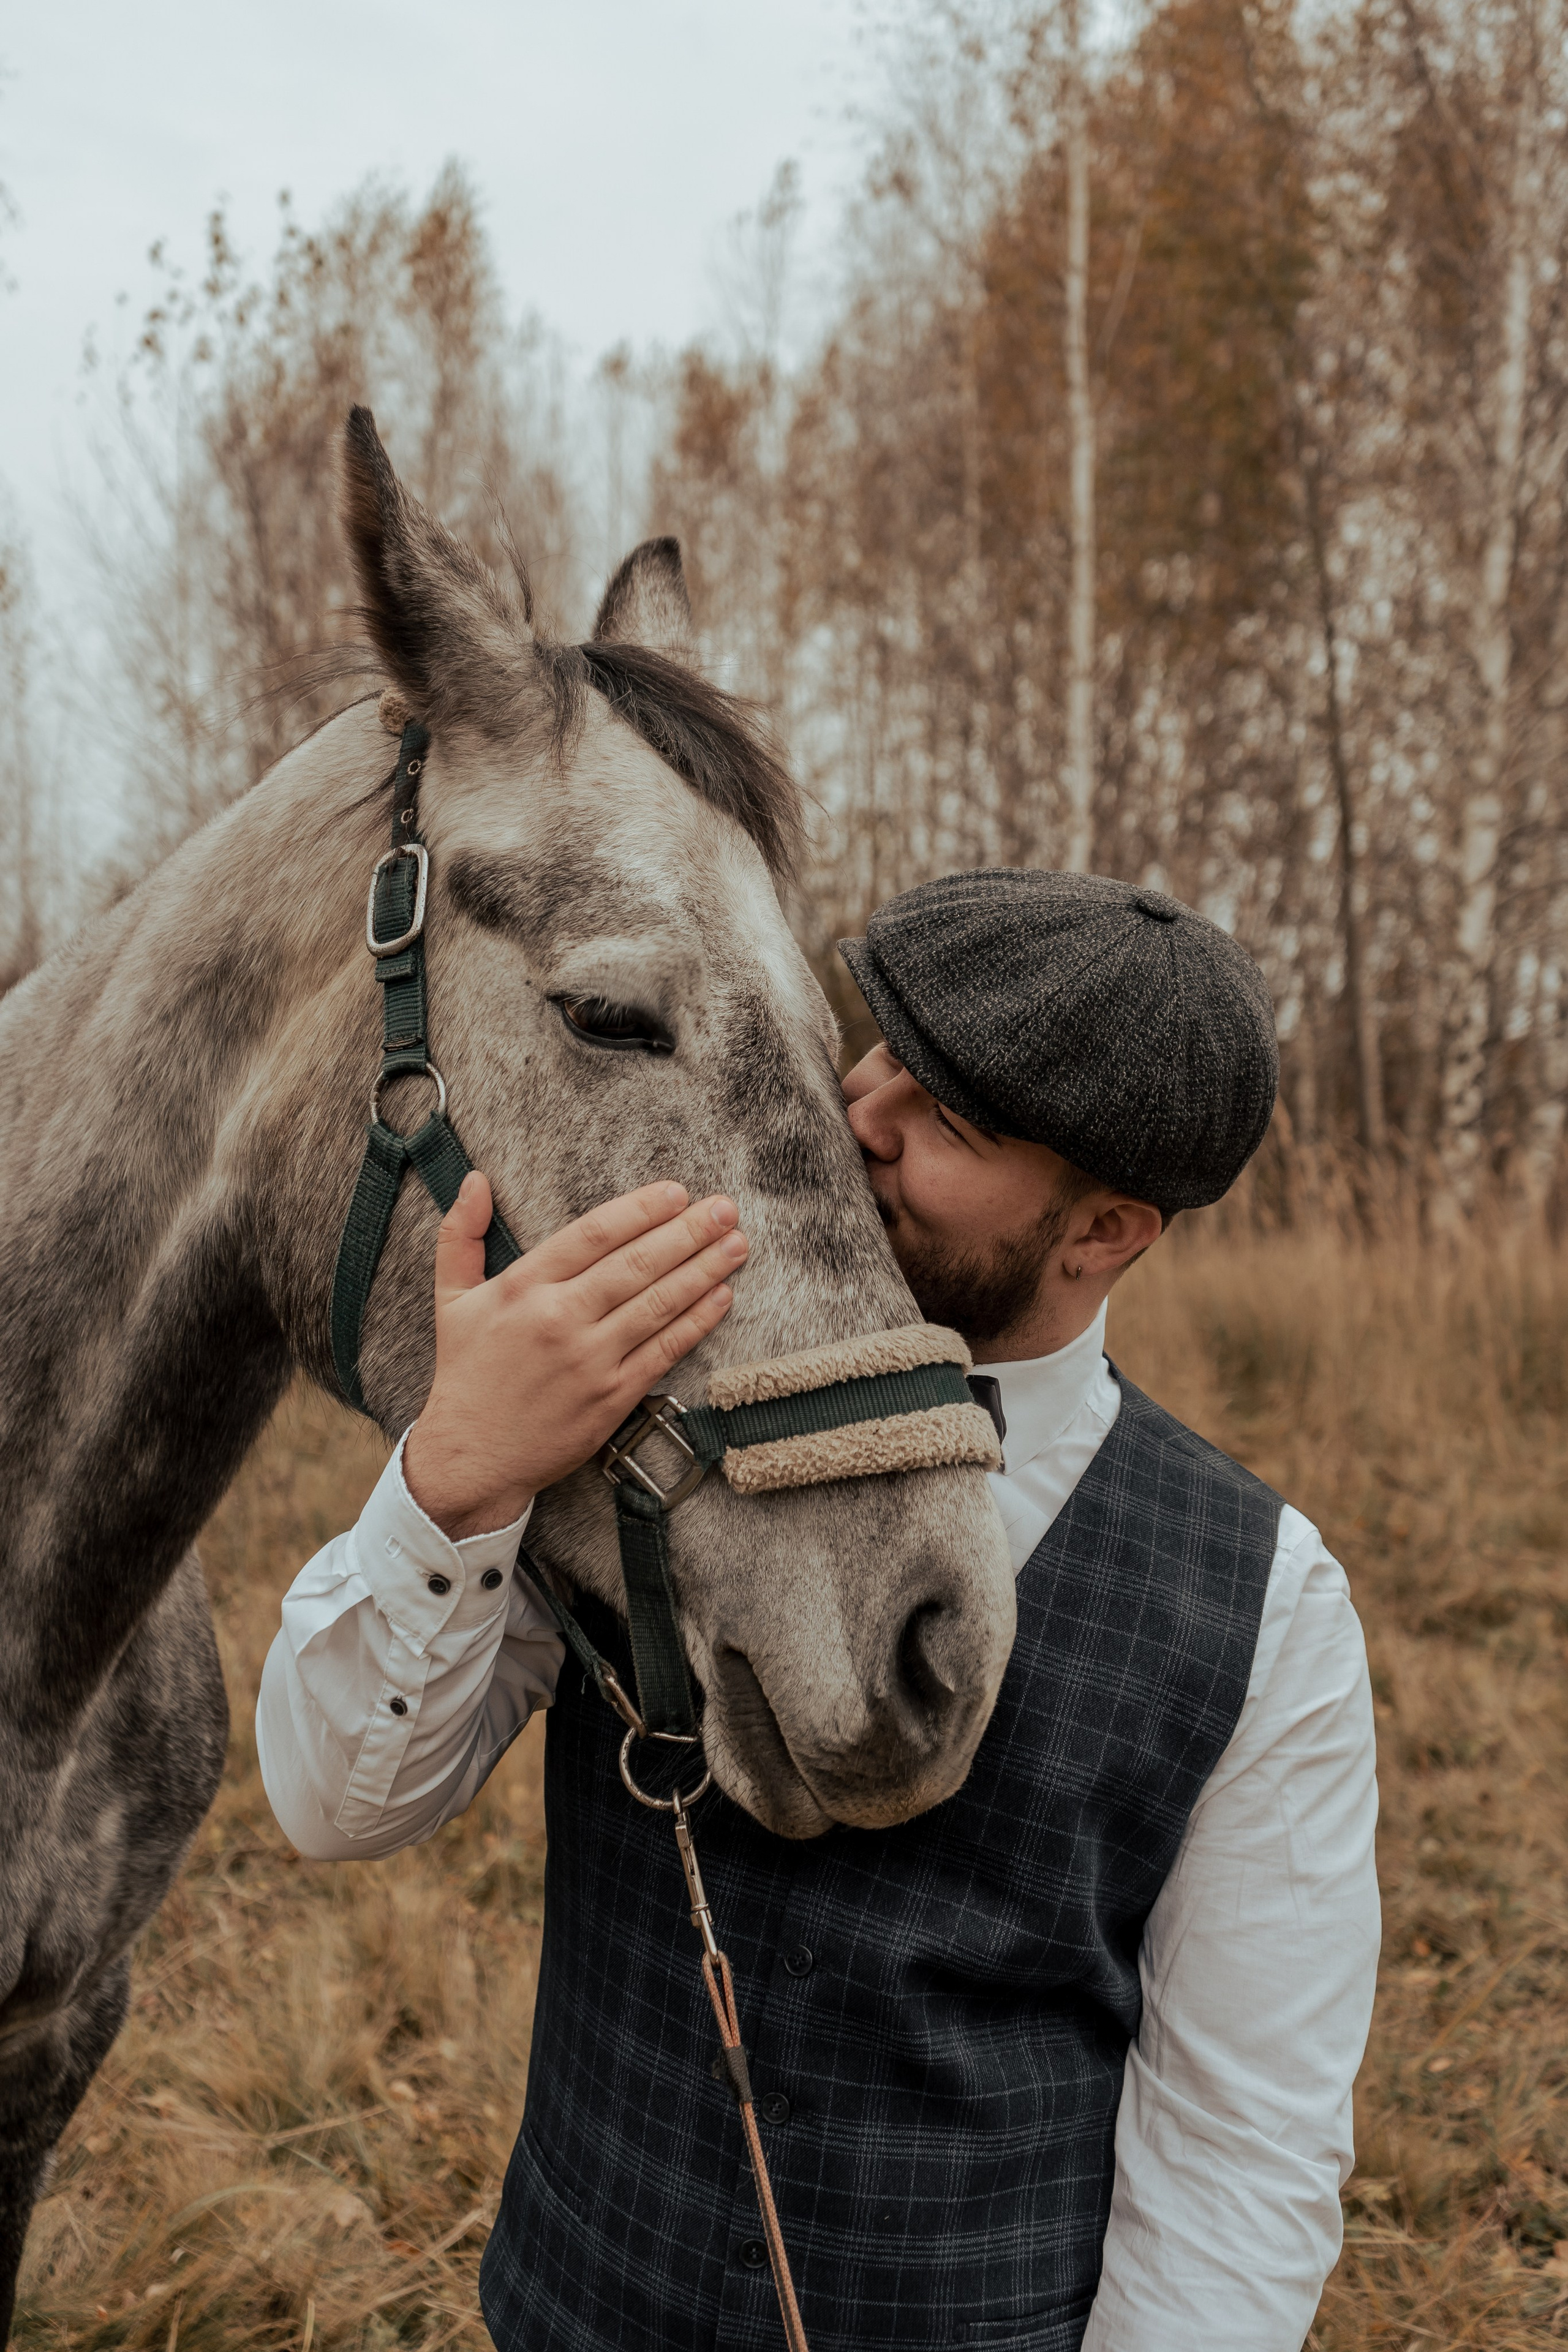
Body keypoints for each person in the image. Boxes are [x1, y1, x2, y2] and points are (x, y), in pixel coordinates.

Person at [258, 868, 1379, 2352]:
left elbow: (1241, 2151)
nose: (859, 1118)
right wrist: (457, 1470)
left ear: (1102, 1231)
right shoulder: (634, 1400)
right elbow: (336, 1802)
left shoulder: (1268, 1606)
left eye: (949, 1121)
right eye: (874, 1054)